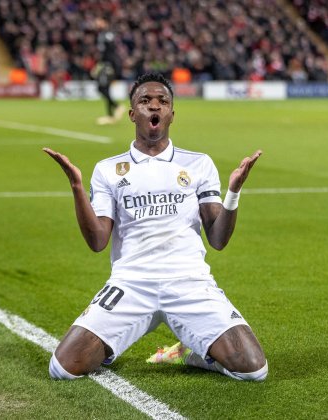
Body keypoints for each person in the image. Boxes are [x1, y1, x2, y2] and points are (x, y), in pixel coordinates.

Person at [43, 72, 267, 381]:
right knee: (63, 369)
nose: (154, 107)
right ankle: (109, 346)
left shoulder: (198, 164)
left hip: (188, 281)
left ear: (172, 114)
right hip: (132, 282)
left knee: (254, 370)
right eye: (145, 101)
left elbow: (218, 238)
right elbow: (97, 241)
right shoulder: (108, 170)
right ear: (133, 113)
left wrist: (234, 192)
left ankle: (189, 355)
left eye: (163, 101)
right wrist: (76, 187)